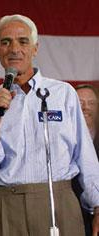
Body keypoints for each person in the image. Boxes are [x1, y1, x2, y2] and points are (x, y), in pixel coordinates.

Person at [0, 14, 99, 236]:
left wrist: (97, 204)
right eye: (6, 42)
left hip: (59, 201)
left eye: (23, 41)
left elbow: (85, 155)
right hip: (7, 206)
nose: (14, 48)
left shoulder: (63, 93)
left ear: (35, 48)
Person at [73, 84, 99, 235]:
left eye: (91, 103)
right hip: (73, 215)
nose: (85, 107)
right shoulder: (63, 140)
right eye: (80, 102)